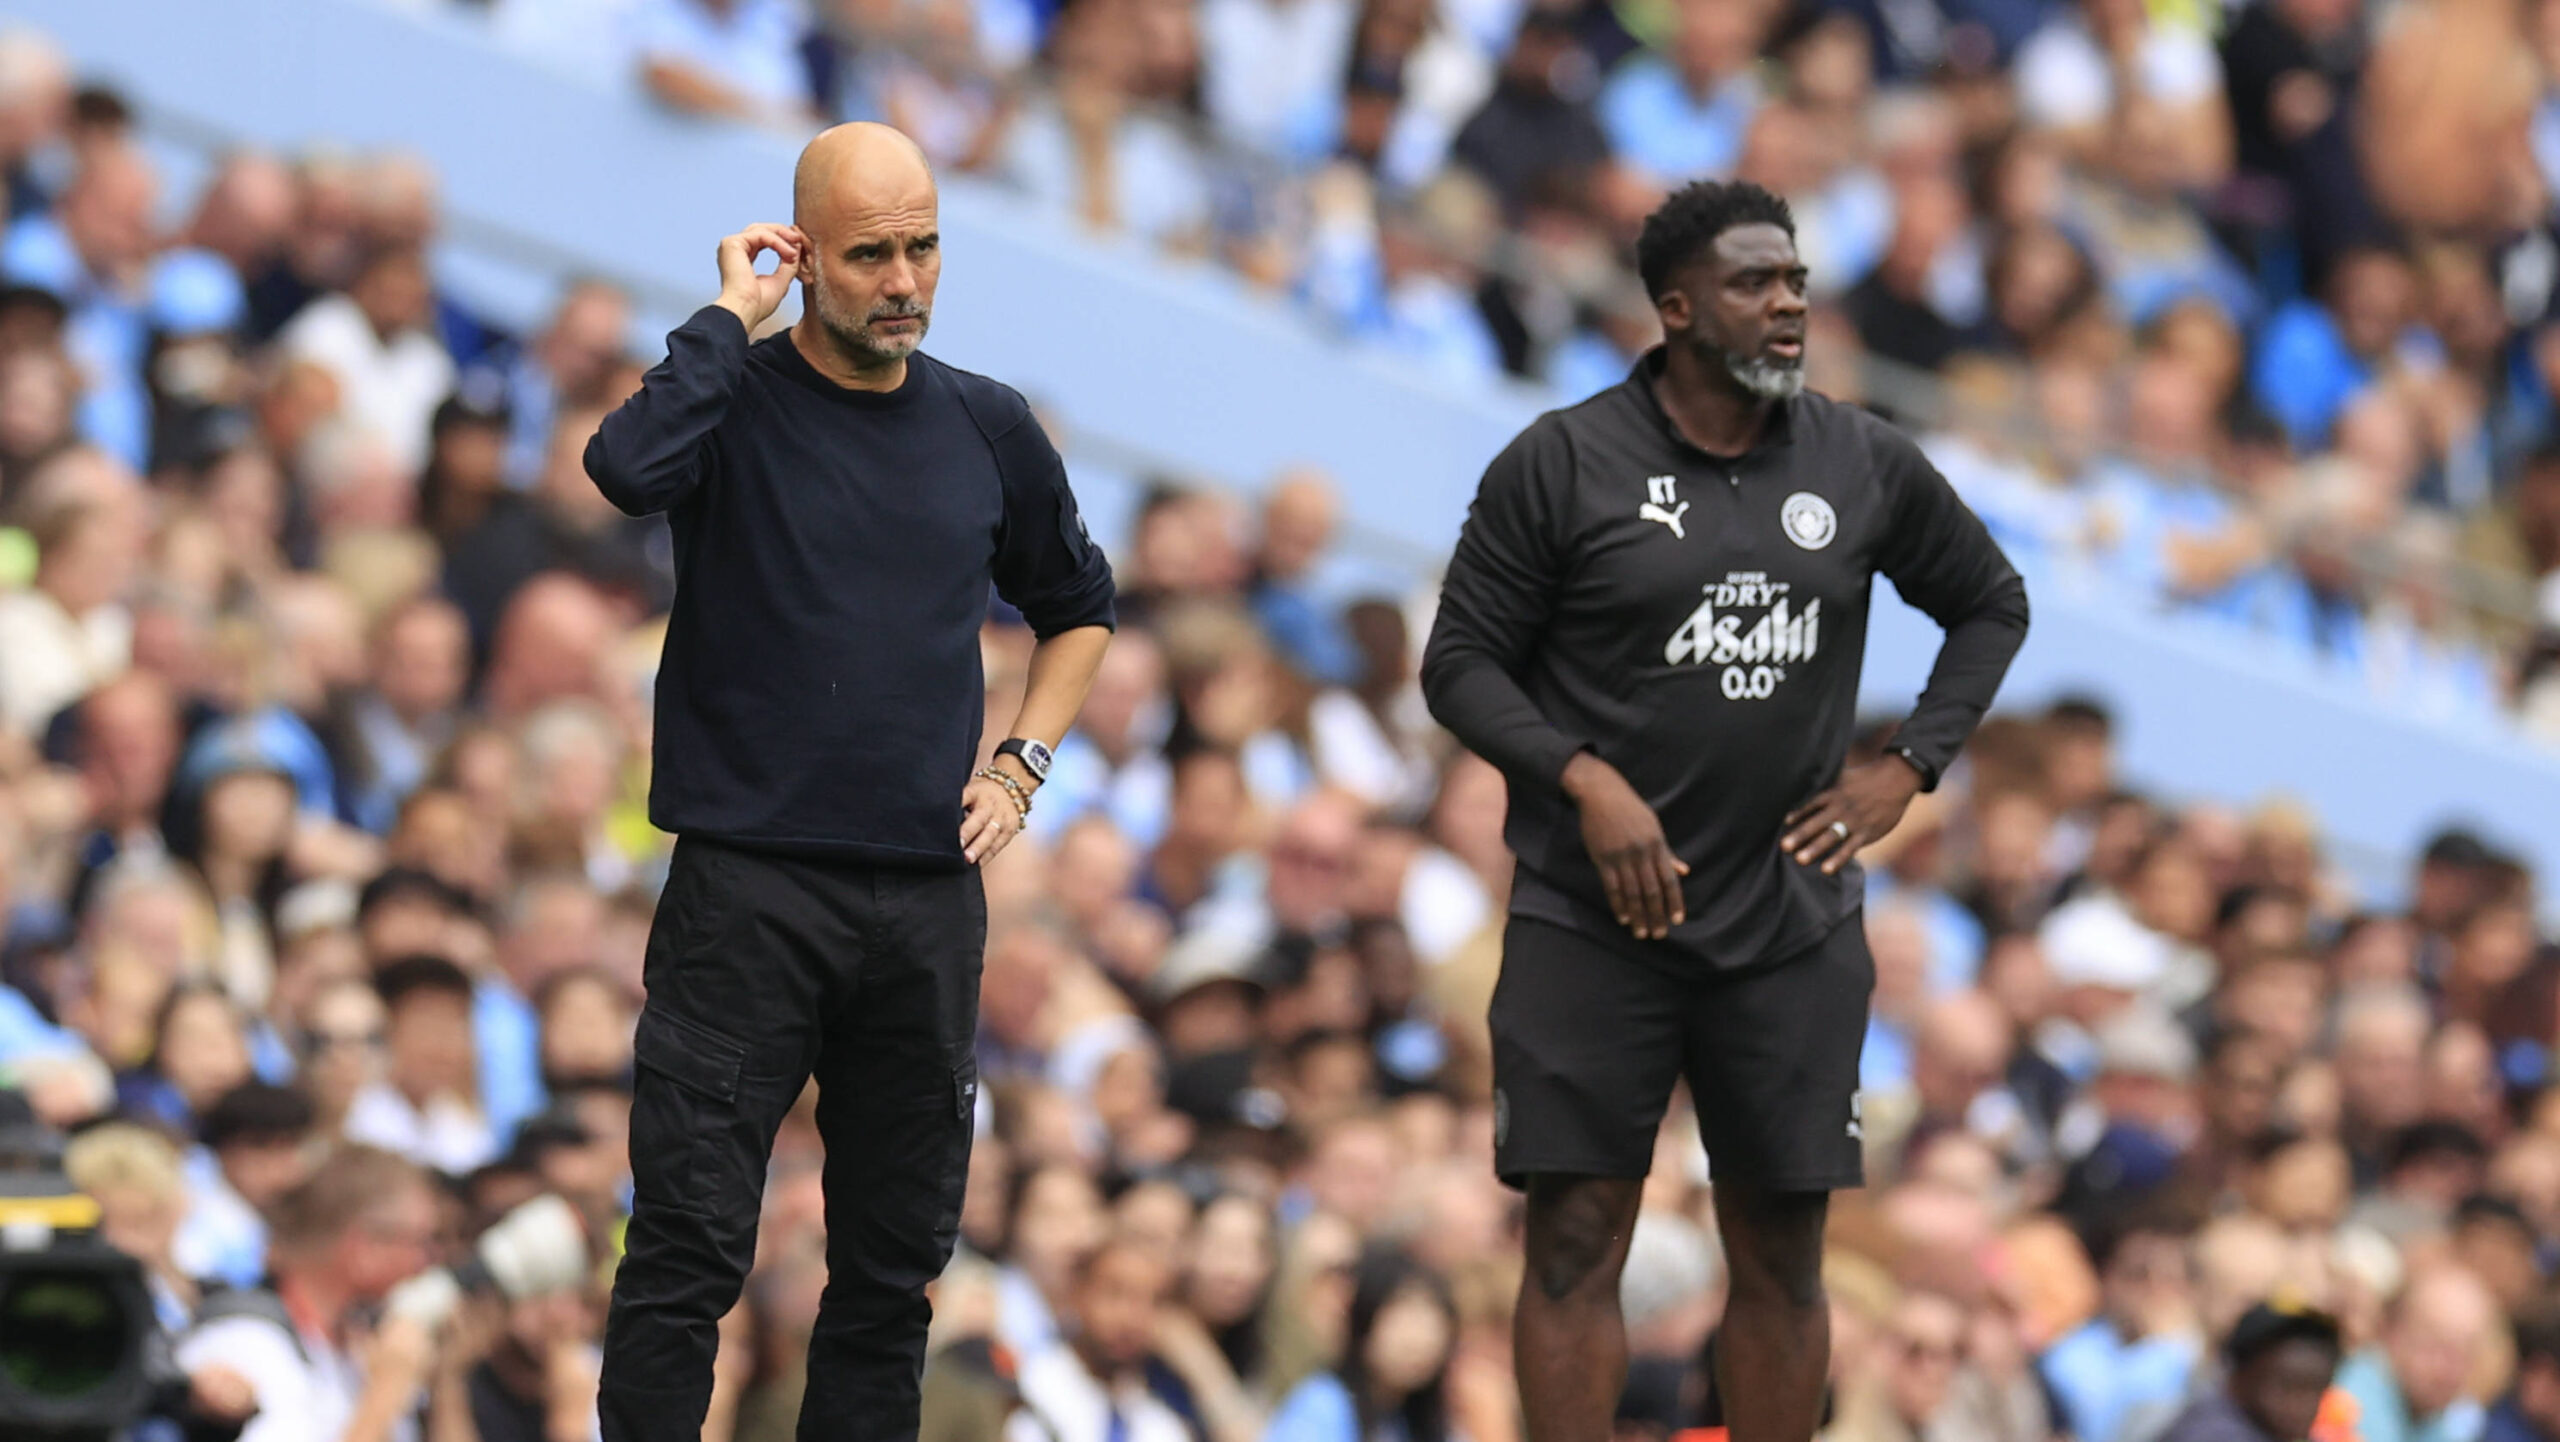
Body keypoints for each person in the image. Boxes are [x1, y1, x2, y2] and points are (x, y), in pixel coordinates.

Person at [1417, 178, 2030, 1442]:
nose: (1790, 301)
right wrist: (1583, 780)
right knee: (1578, 1233)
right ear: (1679, 307)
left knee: (1780, 1248)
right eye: (1758, 282)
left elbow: (1990, 603)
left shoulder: (1862, 458)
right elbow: (1459, 663)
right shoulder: (1563, 459)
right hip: (1595, 915)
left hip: (1789, 919)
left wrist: (1906, 762)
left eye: (1797, 278)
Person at [584, 122, 1116, 1442]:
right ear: (803, 254)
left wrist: (1024, 761)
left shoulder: (989, 424)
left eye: (923, 245)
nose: (904, 279)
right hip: (747, 888)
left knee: (892, 1277)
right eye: (870, 253)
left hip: (925, 902)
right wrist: (725, 311)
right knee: (689, 1253)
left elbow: (1081, 607)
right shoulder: (735, 395)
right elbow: (625, 469)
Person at [174, 1144, 449, 1442]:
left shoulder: (357, 1344)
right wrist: (384, 1398)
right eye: (419, 1241)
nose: (426, 1260)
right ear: (364, 1248)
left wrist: (450, 1380)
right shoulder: (244, 1340)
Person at [1006, 1237, 1192, 1442]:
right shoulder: (1023, 1391)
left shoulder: (1161, 1426)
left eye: (1152, 1302)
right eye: (1115, 1294)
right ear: (1076, 1293)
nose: (1132, 1318)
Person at [2155, 1300, 2347, 1442]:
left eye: (2315, 1389)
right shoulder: (2209, 1433)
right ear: (2238, 1376)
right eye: (2284, 1386)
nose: (2299, 1405)